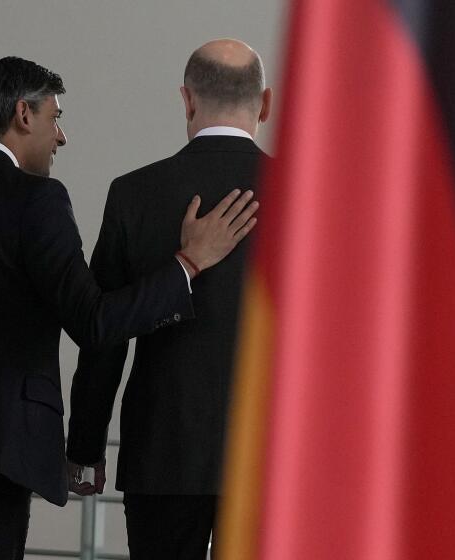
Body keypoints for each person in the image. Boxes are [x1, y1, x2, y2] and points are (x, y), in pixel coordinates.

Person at [0, 56, 258, 560]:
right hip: (0, 440)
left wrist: (85, 446)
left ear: (186, 100)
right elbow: (96, 322)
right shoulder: (36, 200)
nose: (61, 137)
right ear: (23, 114)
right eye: (55, 118)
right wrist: (187, 264)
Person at [66, 39, 273, 560]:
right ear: (264, 103)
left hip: (164, 449)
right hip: (272, 454)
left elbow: (105, 337)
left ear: (186, 99)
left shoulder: (135, 192)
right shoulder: (311, 193)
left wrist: (86, 446)